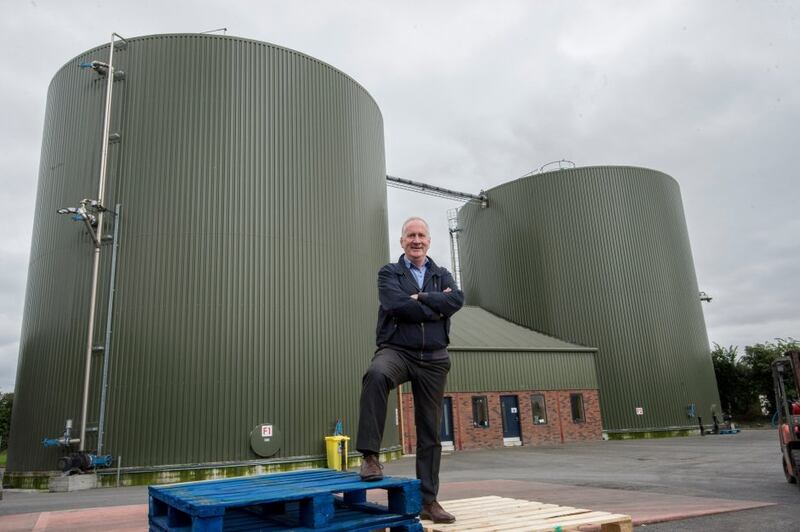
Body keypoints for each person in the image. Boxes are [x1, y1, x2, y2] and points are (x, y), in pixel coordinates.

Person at [356, 216, 464, 524]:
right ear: (402, 241)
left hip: (434, 357)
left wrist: (423, 297)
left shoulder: (441, 273)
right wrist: (436, 307)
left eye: (421, 236)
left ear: (428, 241)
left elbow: (457, 300)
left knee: (430, 429)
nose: (416, 240)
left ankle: (428, 501)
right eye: (410, 235)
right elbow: (395, 304)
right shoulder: (389, 273)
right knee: (376, 375)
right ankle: (370, 458)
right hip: (398, 350)